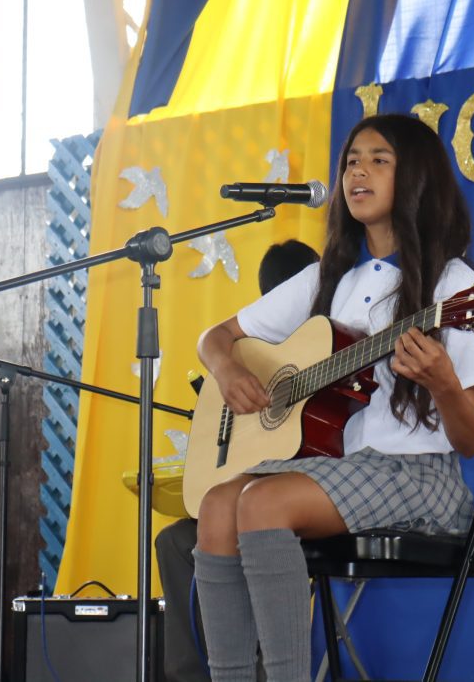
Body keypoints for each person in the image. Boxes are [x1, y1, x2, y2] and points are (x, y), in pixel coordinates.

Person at [191, 113, 474, 682]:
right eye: (352, 161)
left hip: (418, 476)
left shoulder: (455, 285)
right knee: (215, 505)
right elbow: (215, 337)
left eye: (379, 160)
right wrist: (228, 367)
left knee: (261, 504)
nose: (359, 172)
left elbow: (472, 439)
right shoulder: (329, 279)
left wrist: (443, 383)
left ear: (417, 178)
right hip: (335, 468)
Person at [156, 239, 320, 682]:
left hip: (301, 502)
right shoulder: (253, 350)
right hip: (253, 494)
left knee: (253, 526)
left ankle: (268, 670)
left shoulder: (328, 340)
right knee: (174, 541)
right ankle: (198, 675)